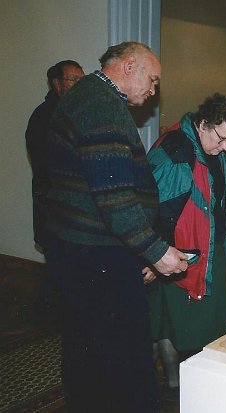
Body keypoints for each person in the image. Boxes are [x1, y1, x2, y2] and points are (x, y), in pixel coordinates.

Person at [44, 41, 188, 413]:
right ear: (128, 66)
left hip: (79, 246)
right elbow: (114, 198)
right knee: (126, 353)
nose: (153, 90)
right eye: (152, 80)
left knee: (87, 347)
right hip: (95, 252)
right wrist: (156, 251)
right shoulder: (101, 107)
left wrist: (142, 251)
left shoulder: (88, 97)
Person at [146, 92, 226, 400]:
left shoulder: (210, 148)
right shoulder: (176, 152)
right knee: (173, 324)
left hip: (204, 250)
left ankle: (180, 386)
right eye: (222, 138)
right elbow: (155, 211)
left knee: (176, 324)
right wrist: (152, 256)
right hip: (177, 256)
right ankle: (179, 388)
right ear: (203, 124)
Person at [25, 60, 85, 309]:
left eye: (82, 79)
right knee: (58, 254)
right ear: (57, 84)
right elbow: (49, 164)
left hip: (65, 200)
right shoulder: (45, 117)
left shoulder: (72, 112)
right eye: (74, 79)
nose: (80, 85)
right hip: (53, 199)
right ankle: (50, 306)